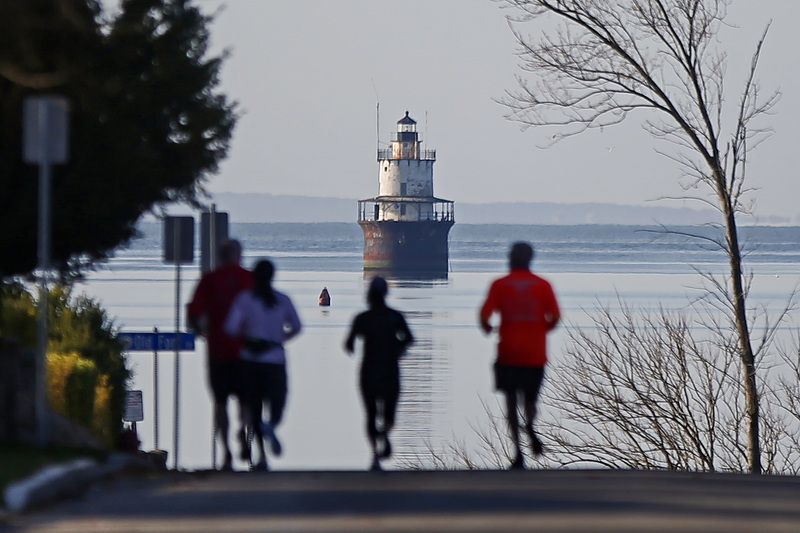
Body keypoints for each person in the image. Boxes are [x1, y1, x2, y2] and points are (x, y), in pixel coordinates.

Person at [479, 241, 560, 470]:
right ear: (531, 258)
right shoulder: (543, 285)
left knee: (511, 402)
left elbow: (485, 315)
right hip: (535, 353)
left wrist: (488, 329)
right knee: (532, 400)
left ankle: (517, 453)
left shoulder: (500, 285)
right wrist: (541, 330)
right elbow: (554, 316)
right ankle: (531, 426)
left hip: (508, 353)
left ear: (510, 258)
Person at [224, 259, 302, 471]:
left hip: (250, 360)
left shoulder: (245, 300)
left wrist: (247, 338)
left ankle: (261, 456)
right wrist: (279, 340)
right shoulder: (282, 300)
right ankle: (272, 425)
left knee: (254, 406)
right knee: (278, 401)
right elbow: (297, 327)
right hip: (275, 359)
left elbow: (230, 328)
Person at [187, 239, 252, 471]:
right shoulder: (249, 278)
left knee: (220, 402)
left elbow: (193, 311)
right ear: (239, 254)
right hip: (246, 351)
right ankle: (244, 430)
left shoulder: (209, 280)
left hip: (217, 351)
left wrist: (200, 332)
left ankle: (226, 452)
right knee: (246, 401)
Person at [344, 276, 414, 471]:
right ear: (385, 294)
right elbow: (408, 339)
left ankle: (375, 453)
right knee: (388, 413)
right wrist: (397, 351)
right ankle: (383, 434)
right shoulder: (395, 316)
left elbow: (348, 344)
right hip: (390, 370)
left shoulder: (362, 318)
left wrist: (354, 346)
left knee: (371, 414)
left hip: (368, 371)